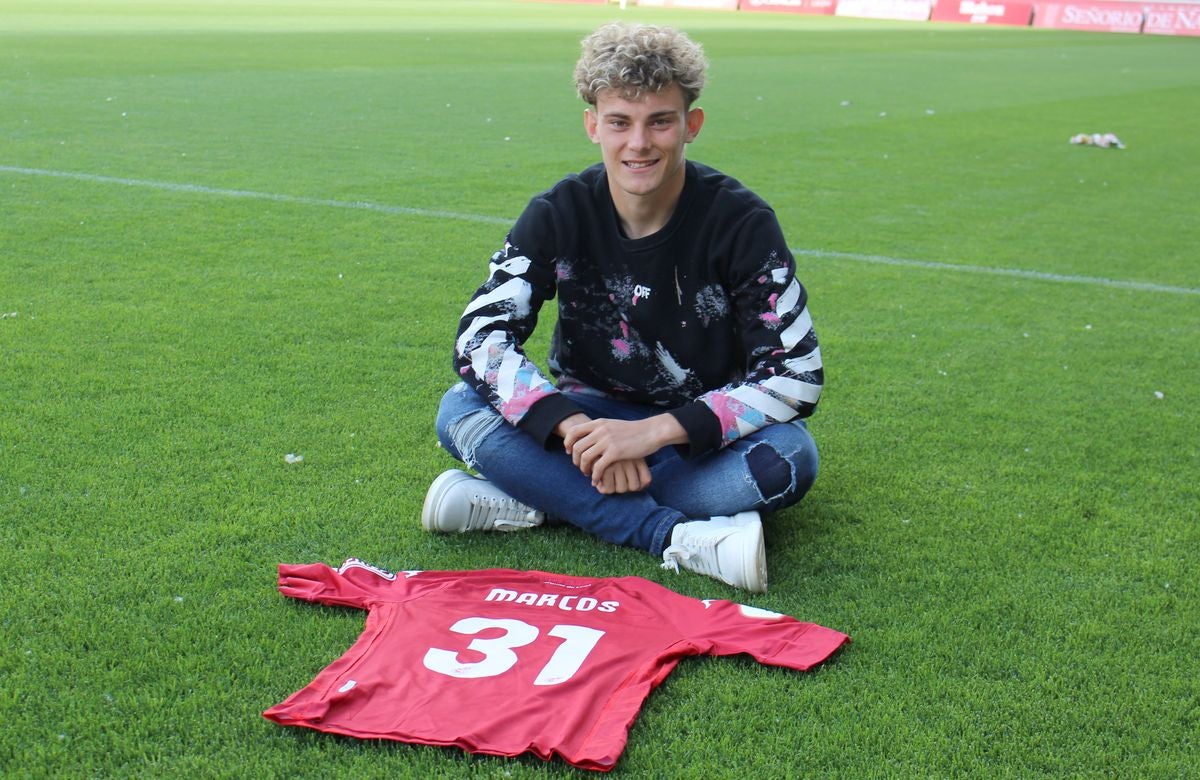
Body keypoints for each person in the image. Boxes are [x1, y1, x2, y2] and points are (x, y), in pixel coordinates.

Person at [422, 22, 822, 593]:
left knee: (787, 458)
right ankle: (672, 537)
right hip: (582, 432)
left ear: (692, 125)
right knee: (458, 409)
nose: (639, 143)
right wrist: (573, 427)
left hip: (692, 438)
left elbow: (798, 376)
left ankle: (542, 497)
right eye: (619, 122)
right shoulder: (559, 212)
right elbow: (479, 340)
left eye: (660, 121)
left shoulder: (741, 223)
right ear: (593, 126)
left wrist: (653, 434)